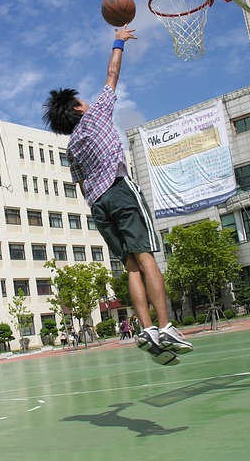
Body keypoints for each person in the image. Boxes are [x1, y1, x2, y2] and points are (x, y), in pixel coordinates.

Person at [42, 25, 193, 366]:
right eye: (82, 100)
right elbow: (112, 73)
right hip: (120, 190)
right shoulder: (95, 116)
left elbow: (80, 184)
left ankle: (147, 330)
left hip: (98, 204)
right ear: (79, 109)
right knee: (147, 257)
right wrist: (119, 40)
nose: (88, 101)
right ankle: (166, 326)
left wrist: (98, 201)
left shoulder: (72, 146)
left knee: (130, 266)